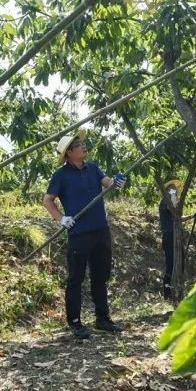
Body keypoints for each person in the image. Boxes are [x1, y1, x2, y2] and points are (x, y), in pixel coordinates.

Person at [42, 132, 127, 340]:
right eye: (79, 145)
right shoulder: (61, 175)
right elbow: (47, 200)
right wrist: (61, 218)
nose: (83, 147)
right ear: (70, 153)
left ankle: (102, 319)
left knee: (101, 276)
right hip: (79, 232)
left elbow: (108, 184)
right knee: (76, 278)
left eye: (82, 144)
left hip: (100, 229)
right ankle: (75, 322)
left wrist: (117, 182)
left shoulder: (94, 168)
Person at [158, 180, 182, 299]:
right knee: (170, 264)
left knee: (180, 261)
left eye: (175, 189)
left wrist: (192, 216)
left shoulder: (171, 201)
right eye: (172, 188)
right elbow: (174, 209)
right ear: (167, 190)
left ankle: (177, 290)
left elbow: (176, 218)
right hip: (169, 235)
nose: (174, 190)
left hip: (175, 235)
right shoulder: (166, 202)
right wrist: (173, 196)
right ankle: (167, 294)